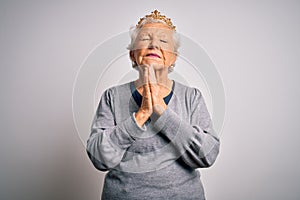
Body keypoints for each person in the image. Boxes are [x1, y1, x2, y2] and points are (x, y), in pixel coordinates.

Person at [86, 10, 220, 200]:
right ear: (133, 55)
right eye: (145, 39)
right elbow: (100, 158)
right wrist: (142, 114)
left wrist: (162, 112)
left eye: (163, 41)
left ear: (173, 58)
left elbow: (208, 155)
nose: (154, 44)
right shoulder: (112, 97)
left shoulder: (191, 97)